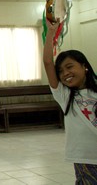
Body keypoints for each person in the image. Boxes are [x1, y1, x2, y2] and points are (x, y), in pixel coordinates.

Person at [43, 19, 97, 184]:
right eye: (61, 71)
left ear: (84, 66)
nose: (65, 73)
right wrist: (50, 32)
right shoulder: (65, 96)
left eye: (70, 66)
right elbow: (47, 62)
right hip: (85, 159)